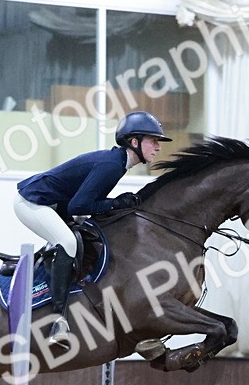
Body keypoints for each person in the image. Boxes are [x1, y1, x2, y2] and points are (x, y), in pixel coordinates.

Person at [14, 110, 171, 345]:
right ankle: (58, 321)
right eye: (153, 141)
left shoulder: (118, 163)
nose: (158, 147)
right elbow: (79, 206)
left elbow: (84, 204)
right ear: (134, 142)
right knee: (67, 242)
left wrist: (114, 203)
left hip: (54, 204)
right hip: (32, 202)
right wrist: (116, 203)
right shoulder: (112, 165)